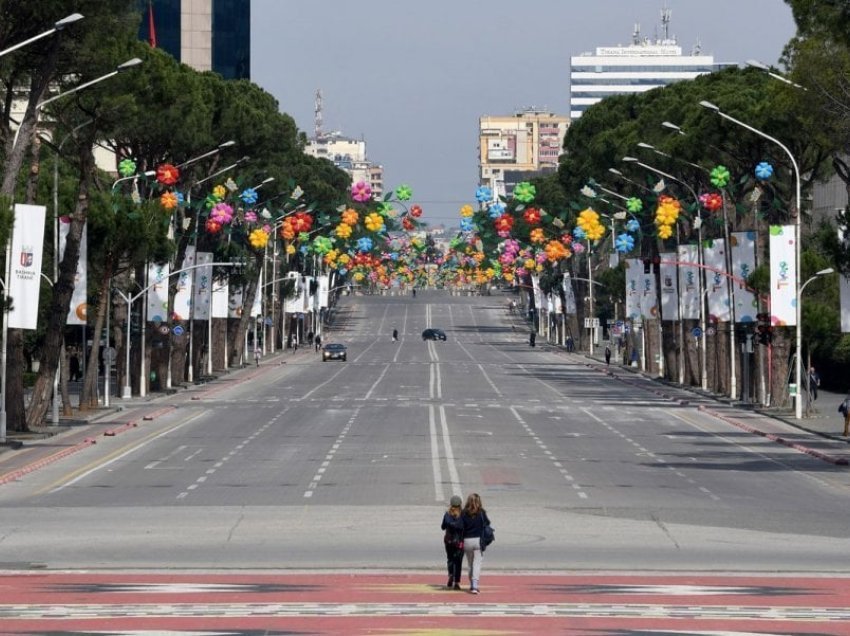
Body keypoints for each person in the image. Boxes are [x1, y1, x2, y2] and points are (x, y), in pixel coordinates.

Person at [461, 493, 491, 594]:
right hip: (478, 540)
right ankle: (475, 585)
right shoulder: (481, 512)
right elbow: (487, 523)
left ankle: (471, 584)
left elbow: (460, 526)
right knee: (477, 563)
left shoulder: (464, 513)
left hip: (467, 540)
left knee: (470, 564)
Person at [441, 495, 464, 590]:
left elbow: (442, 527)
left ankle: (451, 575)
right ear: (460, 505)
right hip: (459, 542)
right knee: (458, 561)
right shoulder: (463, 515)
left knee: (450, 559)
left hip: (449, 541)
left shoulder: (447, 515)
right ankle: (457, 582)